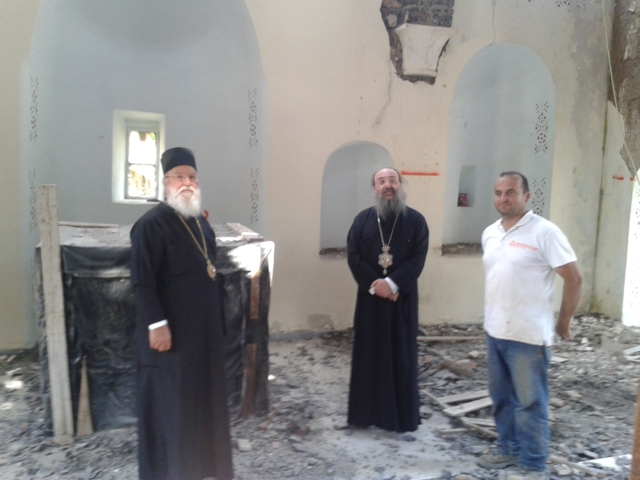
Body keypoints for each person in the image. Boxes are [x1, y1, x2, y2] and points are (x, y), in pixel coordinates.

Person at [130, 147, 233, 480]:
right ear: (165, 183)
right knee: (175, 405)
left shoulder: (200, 223)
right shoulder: (150, 225)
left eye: (192, 177)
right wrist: (156, 324)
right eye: (179, 177)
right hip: (172, 332)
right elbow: (142, 281)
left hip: (203, 332)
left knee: (204, 402)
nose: (187, 182)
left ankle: (202, 467)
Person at [478, 172, 583, 479]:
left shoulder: (544, 232)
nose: (503, 198)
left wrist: (563, 321)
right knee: (501, 399)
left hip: (528, 336)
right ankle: (508, 450)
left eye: (511, 192)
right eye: (498, 192)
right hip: (495, 331)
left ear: (526, 196)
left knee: (530, 402)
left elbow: (574, 278)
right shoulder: (490, 233)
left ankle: (534, 462)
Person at [346, 167, 429, 433]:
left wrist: (392, 284)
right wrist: (377, 286)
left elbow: (418, 257)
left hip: (401, 300)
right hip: (370, 300)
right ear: (375, 188)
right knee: (368, 355)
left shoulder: (416, 220)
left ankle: (400, 418)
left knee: (401, 356)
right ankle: (365, 415)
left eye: (392, 180)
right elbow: (353, 256)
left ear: (400, 184)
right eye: (381, 181)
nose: (387, 185)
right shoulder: (362, 220)